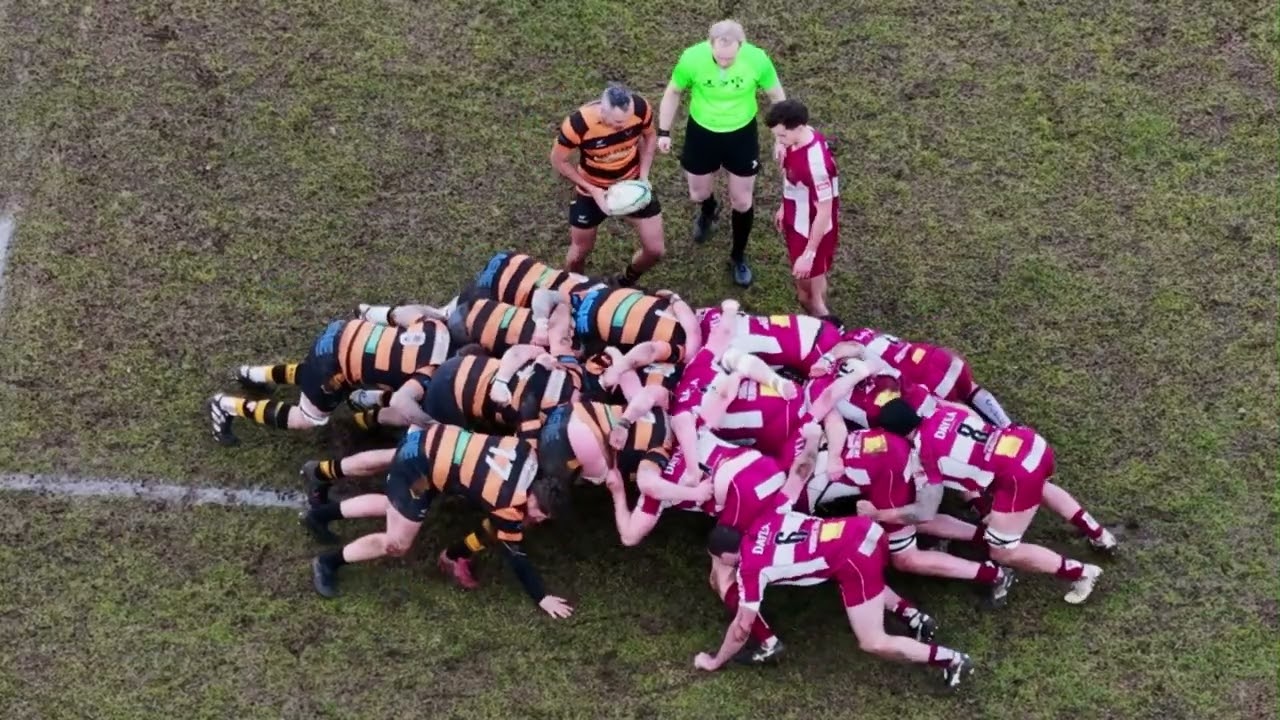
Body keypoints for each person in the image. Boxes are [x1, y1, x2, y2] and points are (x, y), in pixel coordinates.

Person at [301, 423, 575, 618]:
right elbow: (516, 556)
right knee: (397, 542)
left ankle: (318, 516)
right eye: (541, 512)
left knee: (393, 505)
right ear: (535, 497)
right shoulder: (507, 502)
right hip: (418, 469)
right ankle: (327, 562)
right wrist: (542, 597)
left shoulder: (527, 451)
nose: (538, 519)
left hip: (430, 443)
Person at [878, 399, 1116, 605]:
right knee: (1040, 487)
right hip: (1028, 443)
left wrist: (880, 514)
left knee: (1002, 552)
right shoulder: (943, 413)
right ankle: (1099, 535)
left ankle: (1082, 573)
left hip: (1017, 476)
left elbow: (925, 511)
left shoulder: (923, 455)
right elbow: (967, 412)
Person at [694, 516, 974, 689]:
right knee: (863, 581)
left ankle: (951, 660)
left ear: (727, 555)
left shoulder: (750, 570)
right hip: (862, 529)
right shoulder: (764, 522)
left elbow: (743, 626)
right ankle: (915, 618)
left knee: (873, 642)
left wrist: (716, 660)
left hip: (853, 561)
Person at [657, 20, 786, 287]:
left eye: (730, 58)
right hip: (702, 132)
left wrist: (781, 138)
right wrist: (664, 131)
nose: (724, 63)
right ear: (709, 44)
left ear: (742, 45)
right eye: (719, 57)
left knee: (742, 201)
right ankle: (709, 209)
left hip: (741, 134)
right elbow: (674, 91)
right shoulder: (692, 58)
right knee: (698, 193)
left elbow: (777, 97)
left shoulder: (757, 60)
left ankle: (738, 256)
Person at [207, 315, 448, 445]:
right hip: (332, 366)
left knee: (313, 373)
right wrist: (430, 423)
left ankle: (251, 374)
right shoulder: (429, 371)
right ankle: (226, 406)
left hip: (342, 330)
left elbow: (399, 312)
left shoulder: (436, 326)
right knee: (307, 418)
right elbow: (401, 402)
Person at [552, 84, 663, 287]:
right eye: (618, 121)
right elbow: (558, 160)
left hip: (632, 183)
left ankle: (625, 281)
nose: (624, 125)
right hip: (592, 188)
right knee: (578, 253)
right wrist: (593, 190)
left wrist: (644, 176)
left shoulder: (640, 108)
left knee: (655, 250)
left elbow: (650, 135)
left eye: (628, 119)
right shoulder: (578, 124)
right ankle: (577, 289)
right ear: (603, 111)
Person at [766, 99, 840, 319]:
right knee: (811, 286)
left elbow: (824, 211)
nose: (779, 141)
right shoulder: (801, 136)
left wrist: (809, 254)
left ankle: (830, 329)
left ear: (797, 128)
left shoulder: (816, 166)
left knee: (808, 297)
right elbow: (794, 179)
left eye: (782, 136)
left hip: (811, 230)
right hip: (796, 217)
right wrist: (784, 205)